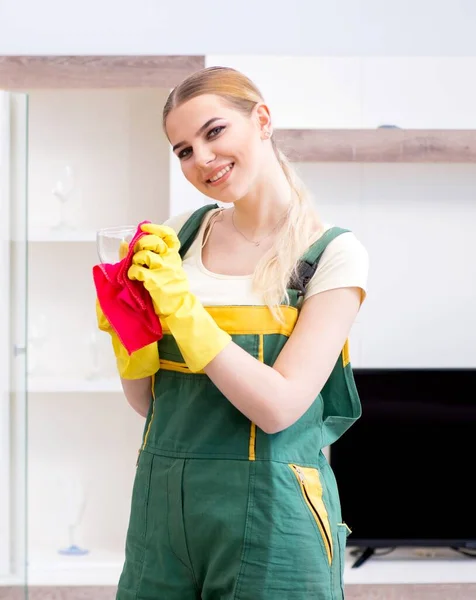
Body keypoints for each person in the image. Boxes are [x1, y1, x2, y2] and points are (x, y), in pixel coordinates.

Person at [96, 66, 369, 600]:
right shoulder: (178, 236)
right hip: (163, 514)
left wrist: (183, 313)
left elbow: (279, 408)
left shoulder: (331, 255)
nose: (201, 159)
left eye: (214, 132)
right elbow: (150, 403)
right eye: (183, 150)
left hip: (274, 518)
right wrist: (127, 331)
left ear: (261, 120)